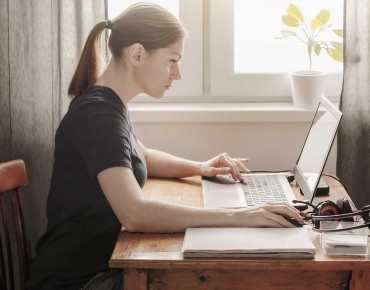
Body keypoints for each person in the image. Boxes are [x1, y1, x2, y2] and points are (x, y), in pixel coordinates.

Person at [26, 3, 302, 290]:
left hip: (98, 269)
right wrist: (241, 216)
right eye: (172, 60)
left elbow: (141, 155)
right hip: (78, 282)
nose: (177, 73)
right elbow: (135, 214)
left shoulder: (108, 105)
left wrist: (200, 167)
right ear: (137, 54)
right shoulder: (99, 115)